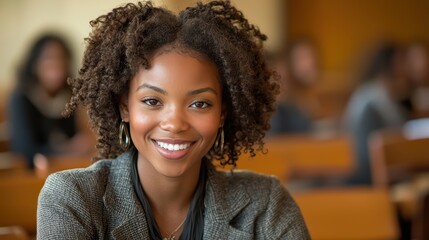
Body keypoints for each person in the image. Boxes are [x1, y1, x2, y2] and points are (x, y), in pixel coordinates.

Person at [37, 1, 310, 239]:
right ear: (124, 108)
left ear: (222, 113)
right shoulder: (72, 198)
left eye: (199, 103)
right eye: (152, 101)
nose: (175, 123)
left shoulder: (266, 205)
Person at [8, 33, 92, 168]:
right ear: (35, 63)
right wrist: (68, 149)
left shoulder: (69, 96)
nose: (56, 64)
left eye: (61, 58)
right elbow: (24, 150)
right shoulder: (21, 97)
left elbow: (73, 137)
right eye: (49, 58)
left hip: (64, 169)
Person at [343, 43, 414, 185]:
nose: (406, 67)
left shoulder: (390, 96)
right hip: (368, 181)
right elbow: (365, 157)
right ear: (388, 65)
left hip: (391, 171)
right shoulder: (370, 101)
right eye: (401, 61)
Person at [268, 40, 320, 135]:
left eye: (285, 80)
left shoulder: (291, 109)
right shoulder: (271, 114)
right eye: (277, 81)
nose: (309, 63)